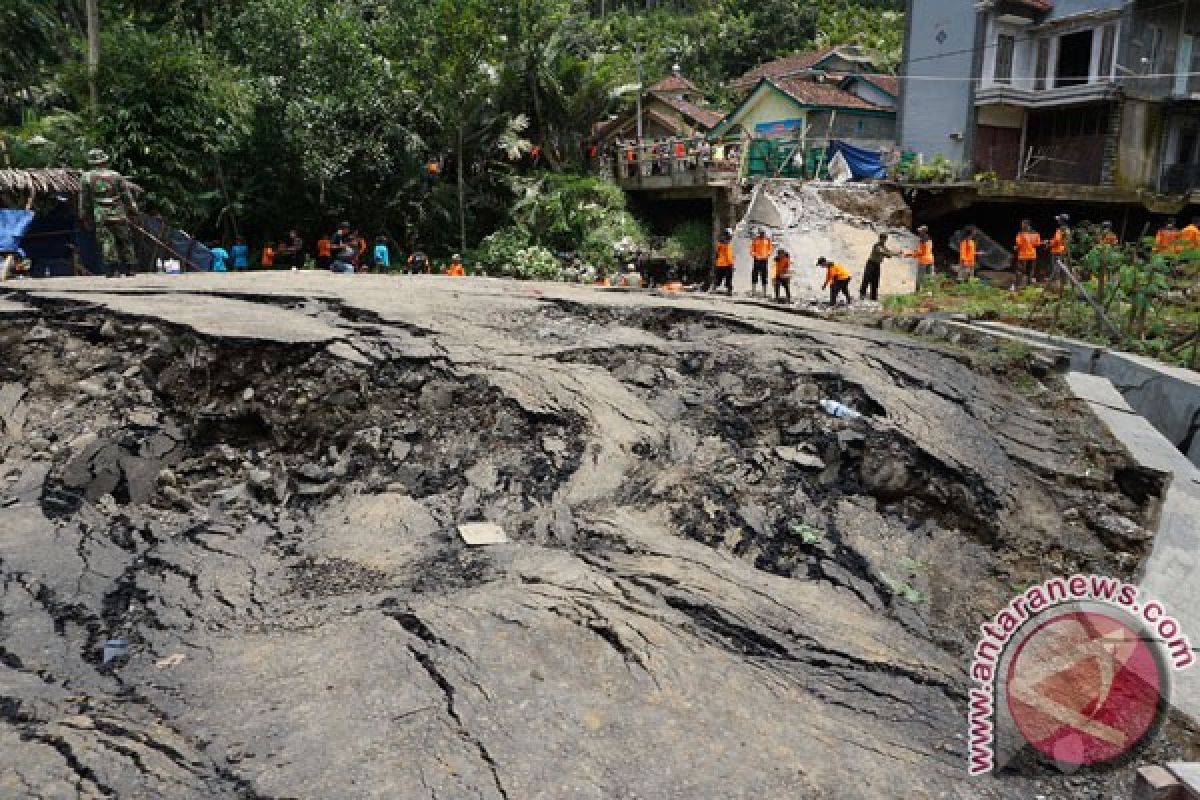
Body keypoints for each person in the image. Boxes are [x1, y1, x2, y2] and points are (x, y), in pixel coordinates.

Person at [79, 148, 139, 278]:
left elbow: (85, 200)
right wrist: (134, 211)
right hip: (119, 212)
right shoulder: (116, 176)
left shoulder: (86, 177)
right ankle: (130, 268)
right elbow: (127, 196)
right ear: (104, 161)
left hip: (101, 214)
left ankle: (113, 269)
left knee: (107, 241)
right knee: (125, 240)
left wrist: (84, 217)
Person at [863, 233, 899, 300]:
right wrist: (893, 254)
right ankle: (862, 295)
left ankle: (873, 297)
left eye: (885, 239)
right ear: (880, 239)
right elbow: (882, 252)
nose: (884, 240)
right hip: (871, 264)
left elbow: (889, 254)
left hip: (877, 265)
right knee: (866, 279)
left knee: (875, 281)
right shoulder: (877, 245)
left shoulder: (883, 246)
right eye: (883, 239)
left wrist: (896, 253)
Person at [1014, 219, 1042, 289]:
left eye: (1022, 224)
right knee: (1031, 270)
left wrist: (1016, 247)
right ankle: (1029, 285)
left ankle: (1018, 285)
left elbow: (1018, 244)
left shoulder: (1021, 233)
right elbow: (1038, 244)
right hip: (1032, 254)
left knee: (1020, 270)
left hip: (1023, 255)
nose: (1021, 225)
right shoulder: (1036, 233)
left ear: (1026, 225)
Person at [1046, 214, 1070, 283]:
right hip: (1063, 250)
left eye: (1059, 220)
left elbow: (1057, 240)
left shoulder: (1060, 230)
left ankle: (1056, 283)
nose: (1058, 221)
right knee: (1064, 267)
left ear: (1062, 221)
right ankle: (1064, 281)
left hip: (1057, 251)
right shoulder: (1067, 229)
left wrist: (1049, 243)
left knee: (1056, 268)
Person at [750, 228, 773, 296]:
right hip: (756, 259)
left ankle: (764, 292)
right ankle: (753, 291)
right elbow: (751, 250)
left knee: (764, 275)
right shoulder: (755, 240)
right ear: (759, 233)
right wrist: (755, 255)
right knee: (754, 275)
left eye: (763, 233)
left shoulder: (767, 240)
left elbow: (770, 249)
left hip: (764, 260)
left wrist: (767, 255)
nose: (762, 234)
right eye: (761, 233)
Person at [712, 228, 734, 295]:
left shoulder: (719, 243)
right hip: (727, 264)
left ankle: (714, 288)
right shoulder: (727, 244)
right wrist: (731, 263)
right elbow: (728, 255)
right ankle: (729, 291)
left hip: (719, 263)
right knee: (728, 278)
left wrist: (716, 261)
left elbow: (717, 253)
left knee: (718, 278)